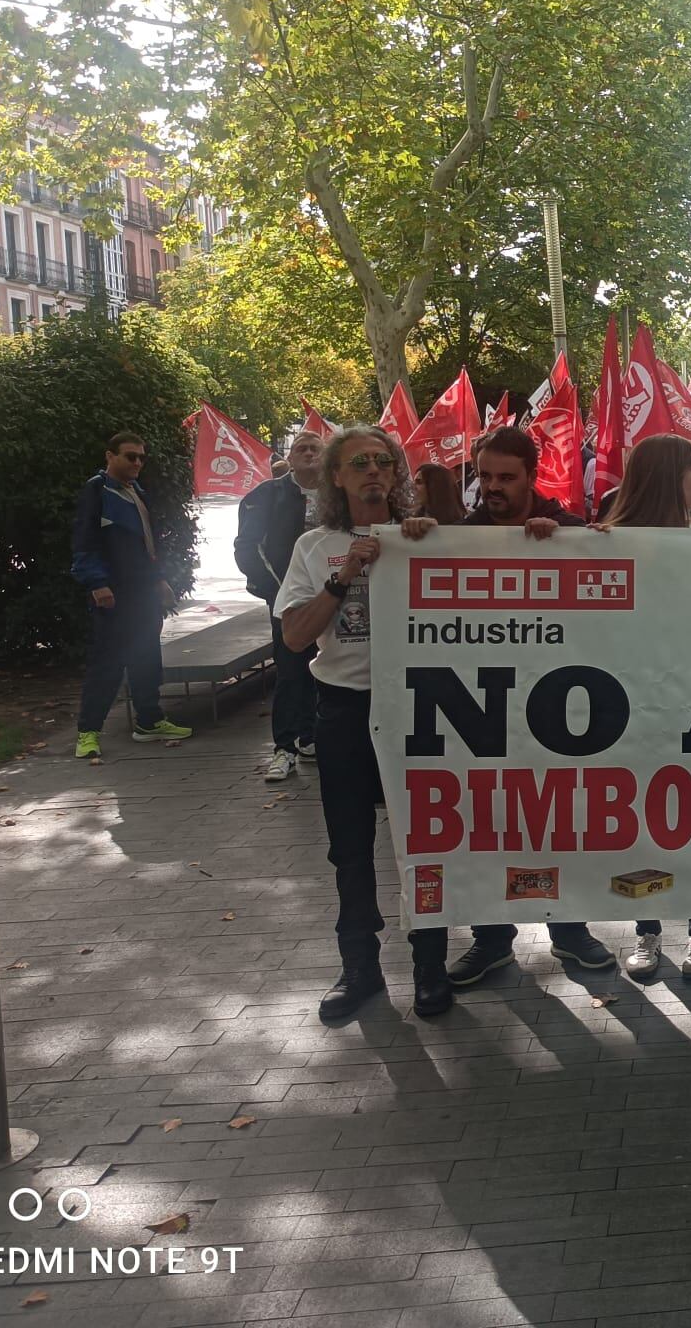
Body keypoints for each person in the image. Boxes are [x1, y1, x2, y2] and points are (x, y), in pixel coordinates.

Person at [397, 428, 615, 986]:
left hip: (558, 716)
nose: (492, 487)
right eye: (485, 476)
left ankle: (570, 932)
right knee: (489, 827)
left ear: (531, 476)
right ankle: (492, 940)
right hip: (484, 717)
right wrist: (416, 539)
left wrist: (564, 543)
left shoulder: (565, 530)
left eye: (506, 478)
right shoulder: (457, 537)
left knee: (561, 823)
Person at [276, 425, 451, 1019]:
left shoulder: (422, 537)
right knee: (349, 847)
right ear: (338, 478)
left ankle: (431, 964)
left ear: (397, 474)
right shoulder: (312, 547)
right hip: (345, 710)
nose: (374, 471)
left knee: (424, 841)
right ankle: (360, 968)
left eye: (384, 461)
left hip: (420, 710)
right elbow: (297, 637)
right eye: (360, 464)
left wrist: (425, 542)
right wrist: (343, 573)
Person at [597, 434, 691, 979]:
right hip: (633, 705)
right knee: (647, 820)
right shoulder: (604, 541)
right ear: (669, 476)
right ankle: (647, 931)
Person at [71, 431, 193, 760]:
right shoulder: (97, 491)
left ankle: (149, 721)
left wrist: (158, 580)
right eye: (130, 456)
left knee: (147, 657)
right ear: (110, 456)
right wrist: (97, 583)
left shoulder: (137, 492)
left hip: (143, 592)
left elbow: (147, 546)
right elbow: (85, 542)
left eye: (141, 457)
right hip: (115, 592)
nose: (137, 462)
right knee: (107, 662)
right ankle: (88, 732)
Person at [234, 428, 324, 781]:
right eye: (301, 448)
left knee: (327, 667)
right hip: (288, 600)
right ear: (290, 456)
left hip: (337, 598)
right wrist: (277, 592)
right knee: (290, 671)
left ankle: (312, 737)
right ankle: (284, 748)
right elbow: (247, 547)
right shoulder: (266, 495)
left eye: (315, 448)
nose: (308, 453)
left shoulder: (342, 493)